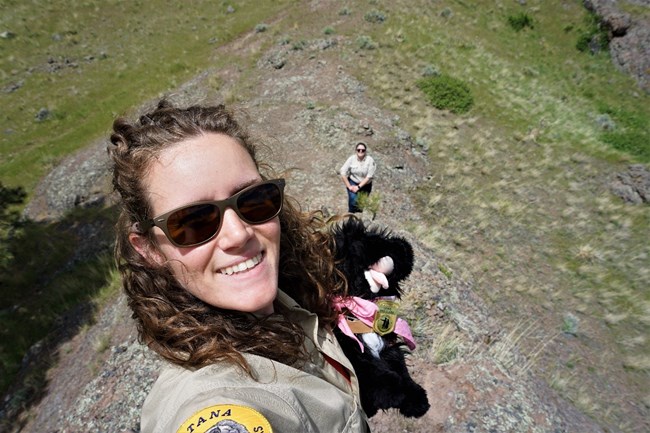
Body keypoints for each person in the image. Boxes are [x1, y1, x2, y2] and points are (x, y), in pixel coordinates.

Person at [109, 100, 369, 433]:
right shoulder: (212, 401)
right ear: (148, 249)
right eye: (193, 222)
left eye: (253, 200)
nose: (238, 233)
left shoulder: (287, 297)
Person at [339, 141, 376, 213]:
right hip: (353, 182)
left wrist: (358, 187)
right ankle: (350, 217)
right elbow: (342, 172)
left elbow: (369, 176)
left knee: (361, 204)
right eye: (359, 150)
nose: (361, 151)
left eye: (363, 150)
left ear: (365, 151)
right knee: (353, 200)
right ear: (356, 151)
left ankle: (358, 219)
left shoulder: (370, 160)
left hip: (365, 185)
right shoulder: (351, 159)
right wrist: (349, 186)